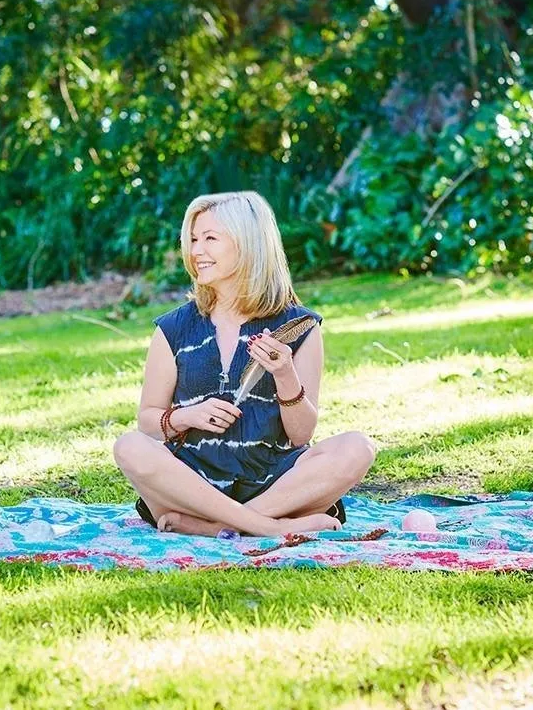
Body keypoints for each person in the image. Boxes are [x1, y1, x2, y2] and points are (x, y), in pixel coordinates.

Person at [113, 191, 376, 537]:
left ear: (248, 244)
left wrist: (284, 373)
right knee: (128, 446)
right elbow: (148, 422)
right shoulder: (173, 328)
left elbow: (301, 435)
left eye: (210, 239)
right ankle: (264, 527)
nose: (196, 252)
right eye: (193, 239)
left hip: (276, 482)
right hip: (192, 484)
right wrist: (187, 416)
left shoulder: (299, 327)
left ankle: (215, 527)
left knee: (357, 448)